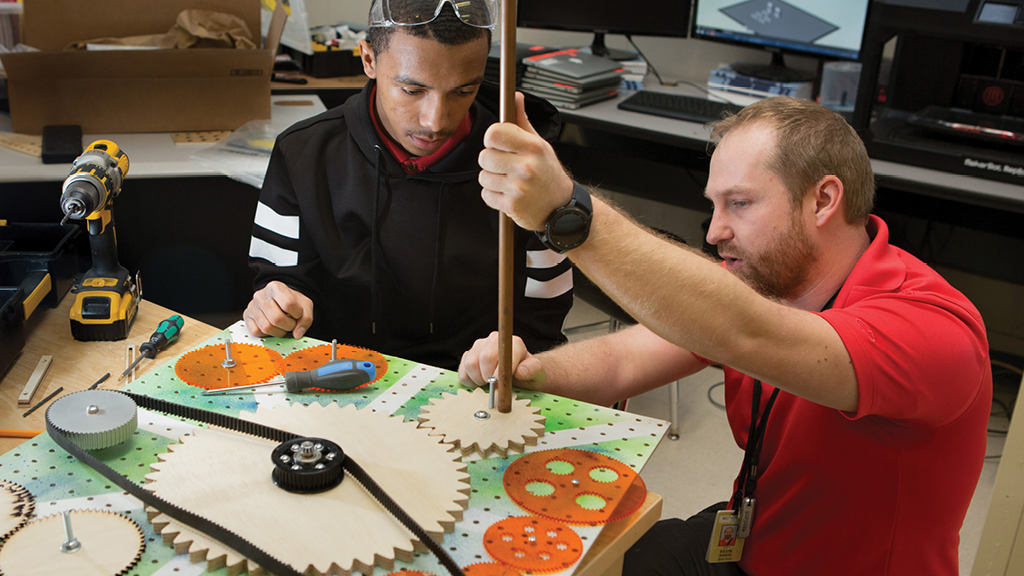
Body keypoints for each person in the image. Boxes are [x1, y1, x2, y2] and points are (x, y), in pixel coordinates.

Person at [459, 95, 992, 576]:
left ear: (823, 200)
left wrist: (568, 213)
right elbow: (624, 359)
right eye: (714, 206)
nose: (714, 232)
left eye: (739, 203)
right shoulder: (767, 285)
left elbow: (749, 334)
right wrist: (531, 371)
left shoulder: (934, 327)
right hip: (751, 544)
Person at [243, 0, 574, 370]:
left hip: (471, 387)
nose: (435, 121)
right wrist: (275, 304)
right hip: (337, 376)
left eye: (463, 91)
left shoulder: (527, 164)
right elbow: (280, 279)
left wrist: (517, 349)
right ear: (368, 60)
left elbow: (544, 317)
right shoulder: (303, 152)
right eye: (412, 90)